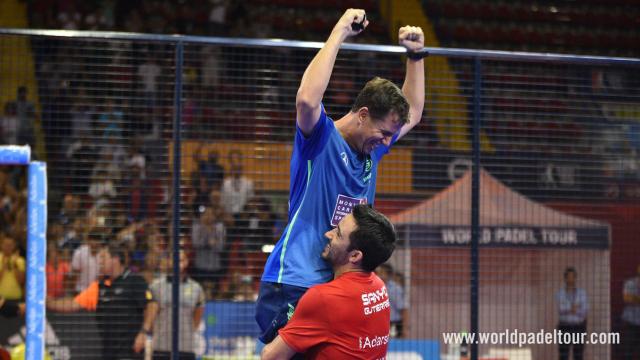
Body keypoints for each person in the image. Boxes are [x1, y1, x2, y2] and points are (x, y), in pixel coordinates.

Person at [257, 8, 425, 345]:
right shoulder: (320, 139)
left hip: (337, 284)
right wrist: (339, 32)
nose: (388, 140)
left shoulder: (373, 149)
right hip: (295, 280)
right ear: (363, 115)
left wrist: (416, 55)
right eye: (383, 131)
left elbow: (415, 112)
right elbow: (306, 98)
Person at [261, 204, 397, 359]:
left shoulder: (324, 298)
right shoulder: (378, 286)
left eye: (338, 234)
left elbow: (270, 356)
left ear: (354, 256)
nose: (328, 234)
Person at [47, 243, 157, 360]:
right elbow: (71, 304)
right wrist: (46, 301)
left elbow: (152, 305)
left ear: (115, 259)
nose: (99, 262)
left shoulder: (135, 281)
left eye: (103, 257)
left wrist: (144, 332)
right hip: (108, 351)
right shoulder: (99, 287)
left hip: (131, 350)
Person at [147, 251, 205, 360]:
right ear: (169, 262)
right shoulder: (156, 286)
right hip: (161, 347)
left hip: (186, 348)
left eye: (181, 260)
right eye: (175, 260)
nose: (178, 264)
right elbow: (150, 314)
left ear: (186, 263)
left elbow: (198, 316)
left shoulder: (196, 288)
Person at [556, 267, 587, 360]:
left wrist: (572, 310)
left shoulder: (582, 293)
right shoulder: (560, 293)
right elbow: (560, 310)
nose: (570, 279)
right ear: (565, 278)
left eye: (572, 277)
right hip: (564, 326)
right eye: (568, 277)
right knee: (563, 355)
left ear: (575, 278)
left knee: (578, 355)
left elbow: (585, 310)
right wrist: (574, 308)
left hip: (579, 326)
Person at [376, 263, 409, 338]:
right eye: (378, 273)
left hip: (393, 323)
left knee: (393, 345)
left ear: (388, 275)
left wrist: (404, 328)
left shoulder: (396, 289)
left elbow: (404, 309)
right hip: (379, 323)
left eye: (382, 273)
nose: (379, 275)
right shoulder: (374, 287)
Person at [622, 264, 640, 359]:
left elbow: (631, 298)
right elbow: (627, 298)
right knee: (628, 351)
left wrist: (635, 298)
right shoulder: (630, 283)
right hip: (631, 322)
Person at [0, 236, 25, 301]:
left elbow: (21, 282)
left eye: (10, 245)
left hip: (15, 298)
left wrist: (15, 265)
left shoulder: (20, 260)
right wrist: (3, 266)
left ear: (13, 246)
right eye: (6, 244)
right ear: (1, 245)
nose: (8, 247)